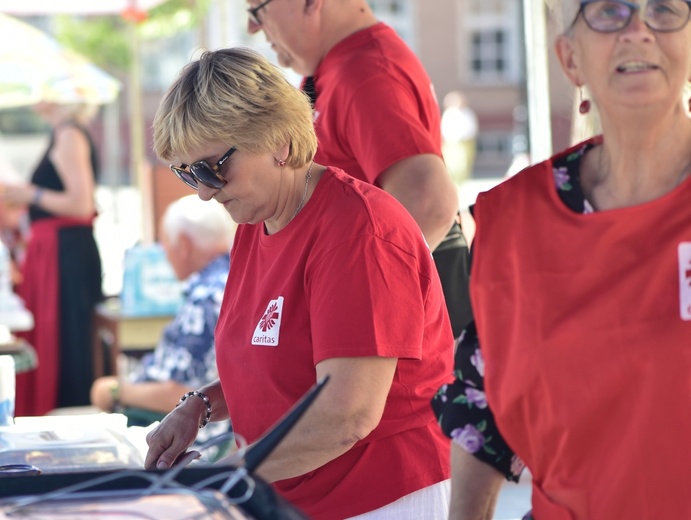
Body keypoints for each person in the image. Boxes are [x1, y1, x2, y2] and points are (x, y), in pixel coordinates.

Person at [144, 47, 454, 520]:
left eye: (213, 167)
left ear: (280, 143)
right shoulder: (256, 220)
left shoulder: (359, 230)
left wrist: (221, 478)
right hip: (294, 498)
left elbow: (346, 413)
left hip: (379, 499)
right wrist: (201, 405)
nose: (205, 191)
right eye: (188, 174)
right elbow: (277, 366)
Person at [431, 0, 691, 518]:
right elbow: (480, 407)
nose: (638, 28)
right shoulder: (515, 221)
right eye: (609, 12)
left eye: (664, 9)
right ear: (569, 58)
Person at [246, 0, 472, 337]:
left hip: (396, 336)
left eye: (256, 9)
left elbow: (429, 201)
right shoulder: (343, 64)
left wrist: (356, 299)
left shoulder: (366, 71)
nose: (253, 27)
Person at [90, 195, 235, 437]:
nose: (164, 254)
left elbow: (182, 394)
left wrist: (116, 391)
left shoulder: (206, 297)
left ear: (184, 245)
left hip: (187, 439)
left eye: (165, 244)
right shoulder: (233, 278)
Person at [0, 101, 103, 416]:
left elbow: (81, 204)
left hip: (63, 254)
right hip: (57, 251)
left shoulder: (69, 133)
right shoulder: (64, 132)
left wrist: (29, 194)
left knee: (64, 341)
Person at [440, 91, 478, 185]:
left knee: (463, 165)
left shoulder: (467, 113)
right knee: (453, 165)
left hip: (466, 142)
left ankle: (461, 183)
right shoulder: (449, 114)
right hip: (452, 144)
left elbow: (471, 128)